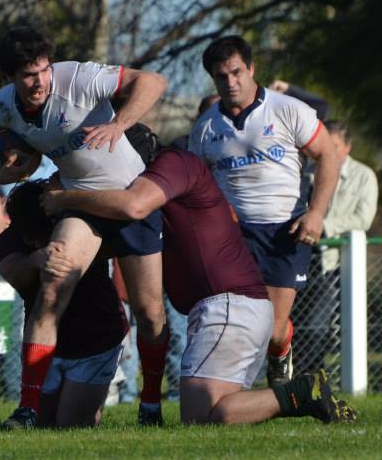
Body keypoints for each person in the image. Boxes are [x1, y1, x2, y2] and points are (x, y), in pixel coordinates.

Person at [40, 126, 357, 425]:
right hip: (227, 308)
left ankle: (302, 392)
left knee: (201, 415)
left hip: (229, 305)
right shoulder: (157, 185)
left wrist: (64, 199)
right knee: (213, 409)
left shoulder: (176, 162)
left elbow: (134, 205)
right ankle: (299, 396)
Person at [0, 26, 169, 428]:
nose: (38, 81)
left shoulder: (76, 77)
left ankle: (150, 404)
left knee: (149, 312)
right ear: (10, 78)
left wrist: (120, 123)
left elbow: (153, 81)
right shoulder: (2, 107)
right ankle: (28, 406)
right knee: (53, 280)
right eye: (27, 74)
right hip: (80, 202)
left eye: (42, 70)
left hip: (130, 198)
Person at [188, 36, 343, 386]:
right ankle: (231, 387)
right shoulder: (205, 129)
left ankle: (281, 352)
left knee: (272, 329)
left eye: (236, 72)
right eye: (221, 76)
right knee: (235, 320)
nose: (231, 82)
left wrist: (316, 213)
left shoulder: (287, 109)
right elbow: (198, 184)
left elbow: (328, 154)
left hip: (285, 230)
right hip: (234, 234)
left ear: (252, 68)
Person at [0, 181, 128, 428]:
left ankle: (91, 411)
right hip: (46, 345)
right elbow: (13, 273)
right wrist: (35, 260)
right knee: (44, 426)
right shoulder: (11, 237)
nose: (31, 239)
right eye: (26, 234)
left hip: (95, 340)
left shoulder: (79, 230)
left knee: (72, 424)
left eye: (38, 233)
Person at [297, 120, 378, 371]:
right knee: (297, 325)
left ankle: (314, 379)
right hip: (304, 258)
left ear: (348, 147)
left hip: (336, 263)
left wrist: (322, 225)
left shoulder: (364, 177)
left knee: (318, 325)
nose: (328, 151)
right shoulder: (308, 173)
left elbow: (362, 219)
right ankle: (298, 382)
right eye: (325, 145)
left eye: (334, 146)